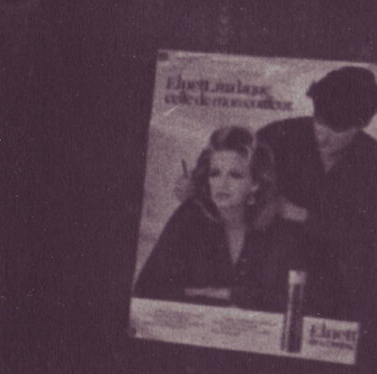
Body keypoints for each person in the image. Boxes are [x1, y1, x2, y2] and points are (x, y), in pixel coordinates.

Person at [134, 124, 335, 315]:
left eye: (235, 175)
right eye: (215, 174)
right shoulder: (188, 218)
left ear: (255, 183)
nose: (222, 184)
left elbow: (301, 302)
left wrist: (227, 294)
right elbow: (147, 290)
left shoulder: (278, 229)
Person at [257, 64, 377, 315]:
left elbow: (371, 240)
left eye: (336, 130)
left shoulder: (376, 162)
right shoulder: (275, 137)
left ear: (361, 124)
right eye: (319, 122)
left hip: (338, 296)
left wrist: (303, 215)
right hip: (266, 283)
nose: (322, 137)